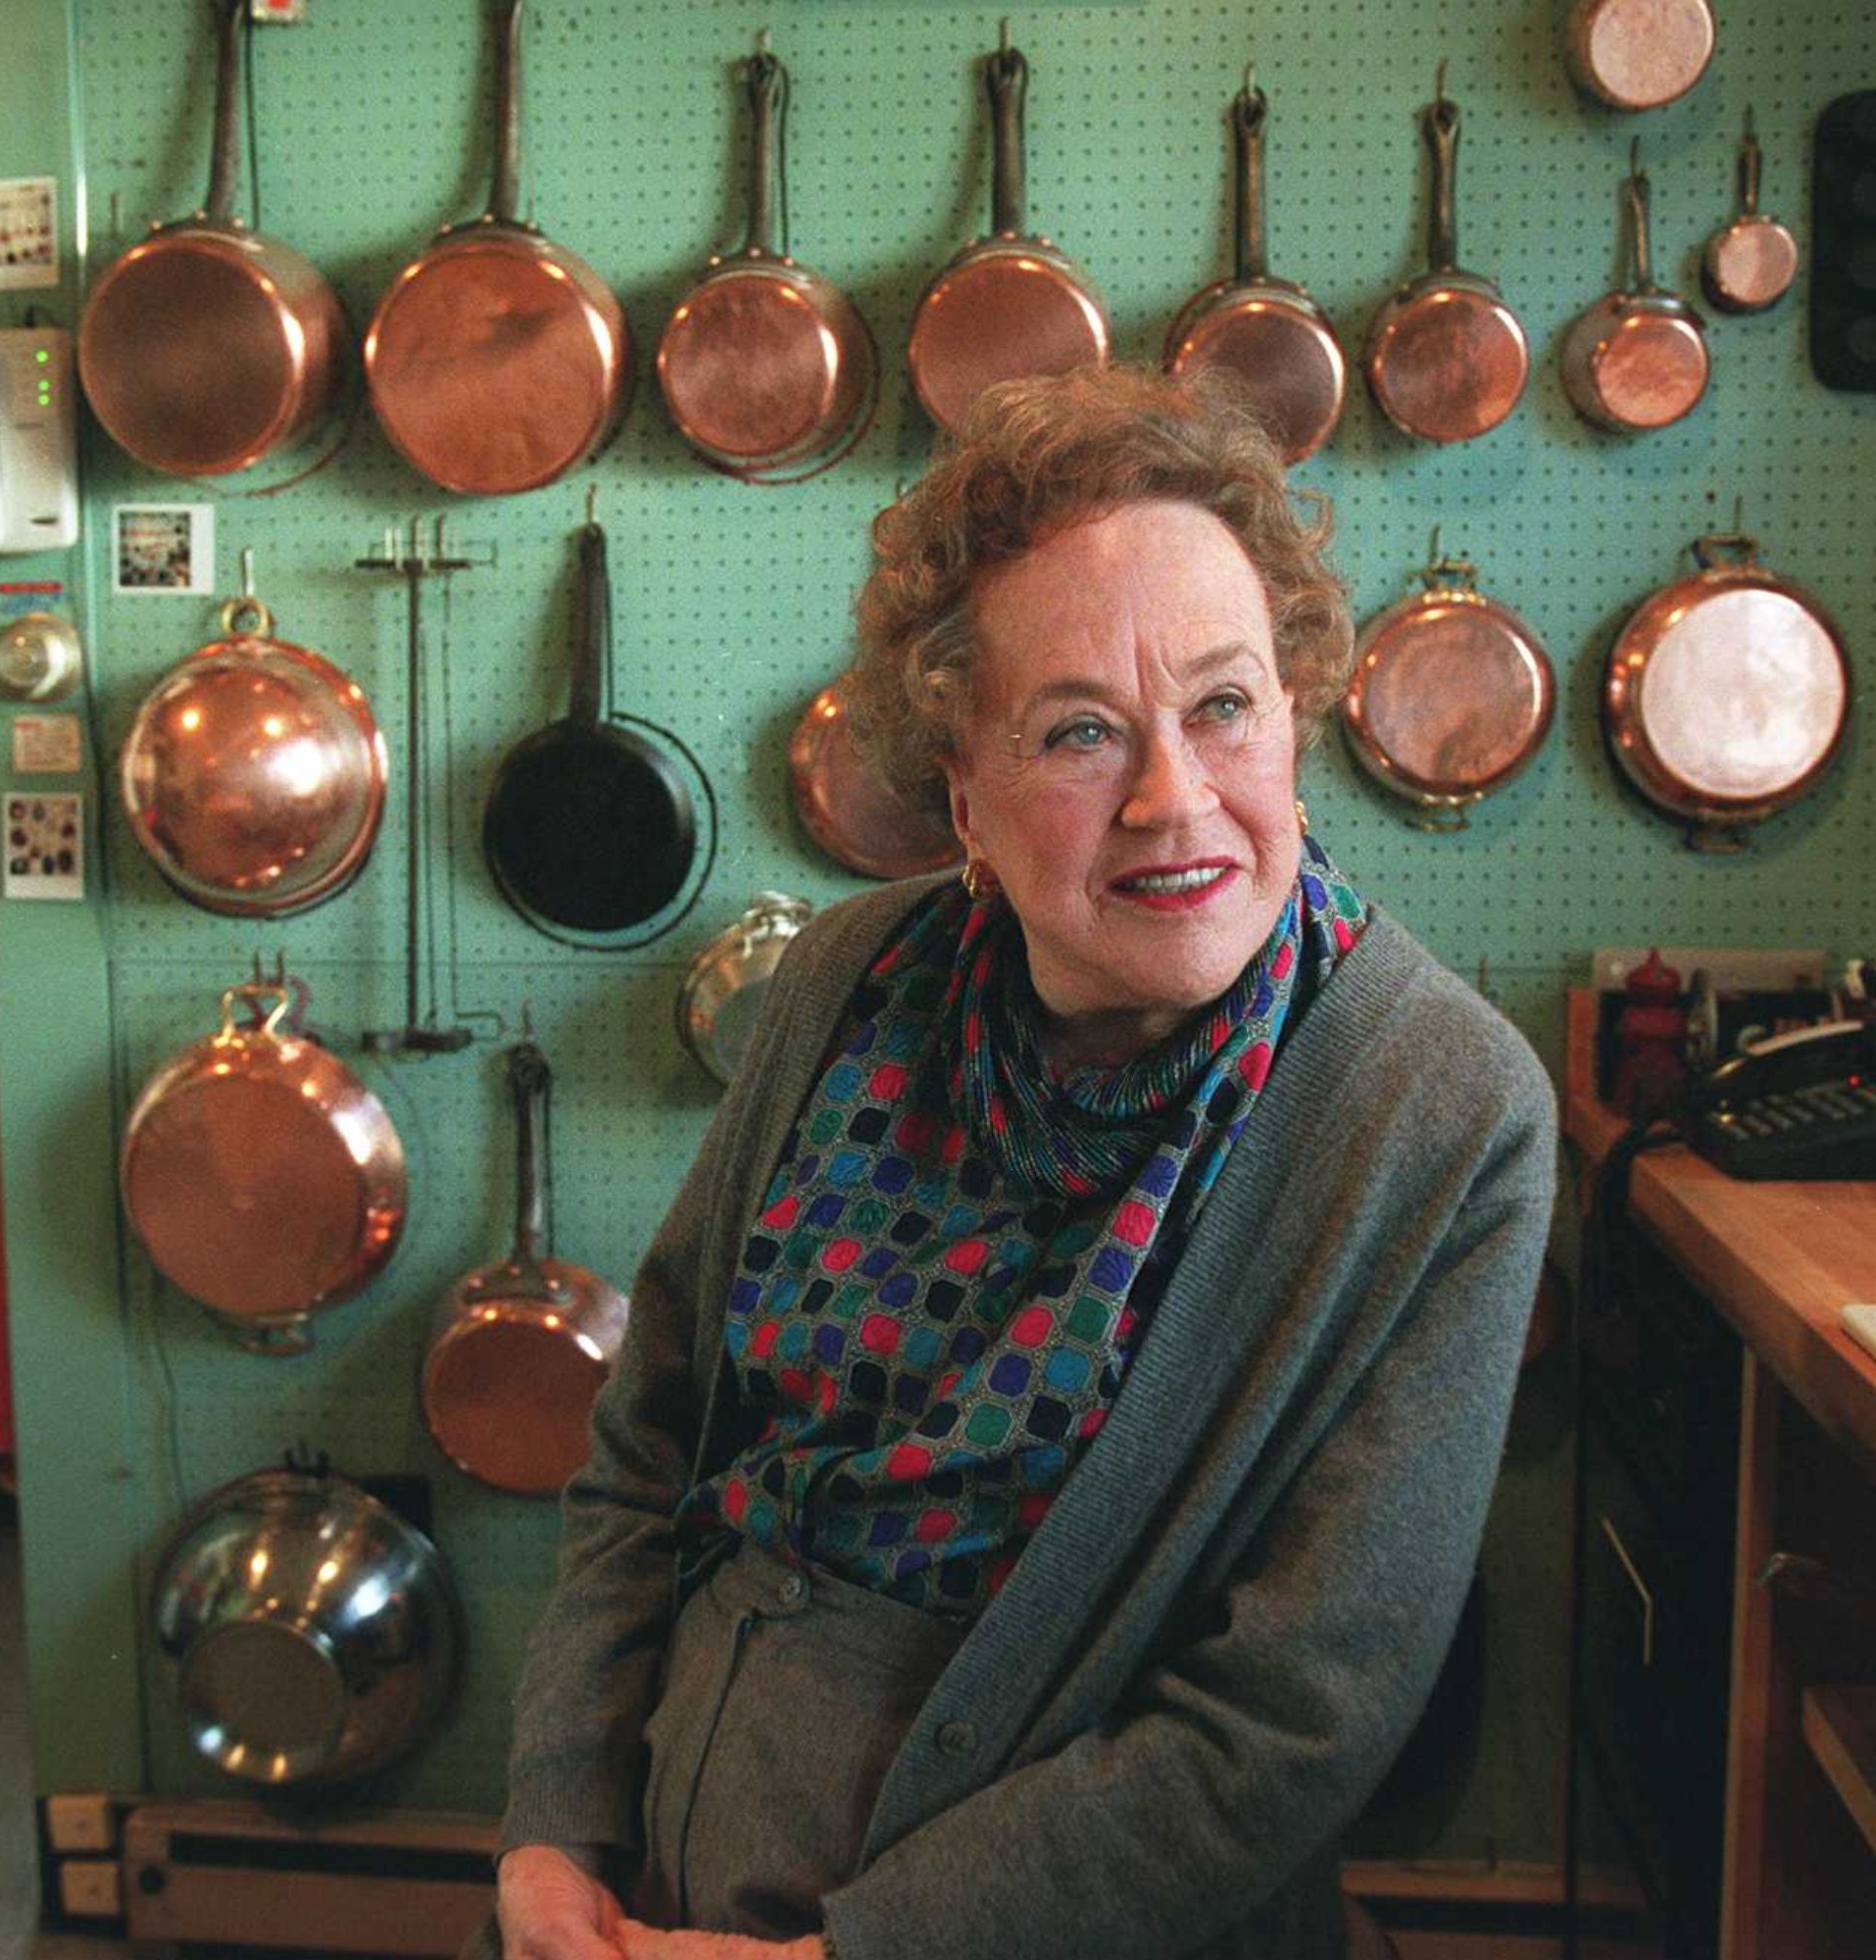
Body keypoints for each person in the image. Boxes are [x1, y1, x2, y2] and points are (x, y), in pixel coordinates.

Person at [478, 365, 1556, 1960]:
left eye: (1223, 704)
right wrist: (554, 1833)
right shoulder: (847, 979)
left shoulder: (1436, 1106)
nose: (1172, 798)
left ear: (1298, 713)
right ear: (959, 787)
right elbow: (652, 1446)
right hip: (650, 1897)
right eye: (1077, 733)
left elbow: (1290, 1715)